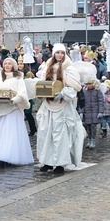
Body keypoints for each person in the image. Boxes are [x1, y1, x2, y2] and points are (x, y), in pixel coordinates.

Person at [36, 44, 85, 174]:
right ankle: (47, 162)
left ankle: (59, 163)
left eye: (62, 53)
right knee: (45, 133)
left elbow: (73, 87)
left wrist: (63, 93)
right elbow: (42, 83)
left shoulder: (69, 69)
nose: (60, 55)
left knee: (60, 135)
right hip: (48, 105)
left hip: (62, 106)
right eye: (57, 53)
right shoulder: (47, 67)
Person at [0, 57, 34, 167]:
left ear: (13, 66)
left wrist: (15, 100)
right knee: (0, 133)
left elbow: (22, 93)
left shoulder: (18, 79)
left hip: (13, 109)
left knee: (11, 133)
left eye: (9, 64)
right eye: (5, 63)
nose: (7, 65)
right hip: (1, 108)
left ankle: (10, 156)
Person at [81, 79, 104, 149]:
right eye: (87, 84)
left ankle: (93, 140)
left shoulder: (98, 92)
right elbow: (82, 102)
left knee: (93, 126)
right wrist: (81, 112)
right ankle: (89, 139)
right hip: (87, 112)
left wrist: (101, 111)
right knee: (88, 127)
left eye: (89, 84)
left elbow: (101, 102)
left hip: (95, 111)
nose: (88, 85)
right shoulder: (84, 92)